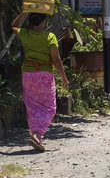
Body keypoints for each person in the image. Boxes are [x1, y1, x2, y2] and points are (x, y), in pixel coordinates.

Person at [11, 12, 69, 152]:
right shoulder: (49, 37)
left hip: (28, 75)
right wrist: (64, 78)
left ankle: (35, 135)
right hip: (44, 76)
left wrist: (24, 12)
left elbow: (13, 25)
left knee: (32, 106)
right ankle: (37, 134)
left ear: (30, 22)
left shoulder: (25, 34)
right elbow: (55, 60)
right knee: (50, 108)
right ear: (43, 22)